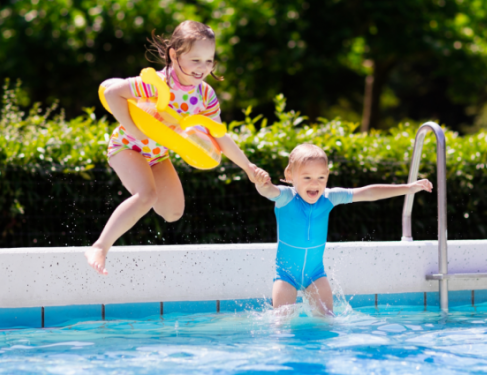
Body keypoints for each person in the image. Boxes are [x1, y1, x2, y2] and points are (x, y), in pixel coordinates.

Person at [85, 21, 258, 275]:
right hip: (127, 147)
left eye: (209, 61)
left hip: (157, 154)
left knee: (173, 212)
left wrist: (248, 167)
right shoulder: (156, 83)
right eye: (196, 60)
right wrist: (134, 129)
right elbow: (111, 93)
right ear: (174, 55)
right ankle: (100, 247)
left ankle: (137, 209)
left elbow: (220, 136)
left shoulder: (205, 95)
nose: (203, 68)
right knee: (146, 196)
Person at [253, 143, 433, 316]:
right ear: (290, 175)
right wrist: (261, 184)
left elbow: (368, 193)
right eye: (307, 177)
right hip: (286, 276)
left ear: (327, 175)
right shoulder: (286, 198)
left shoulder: (329, 198)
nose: (315, 184)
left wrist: (409, 188)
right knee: (280, 325)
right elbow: (269, 191)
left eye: (321, 178)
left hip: (315, 275)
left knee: (327, 322)